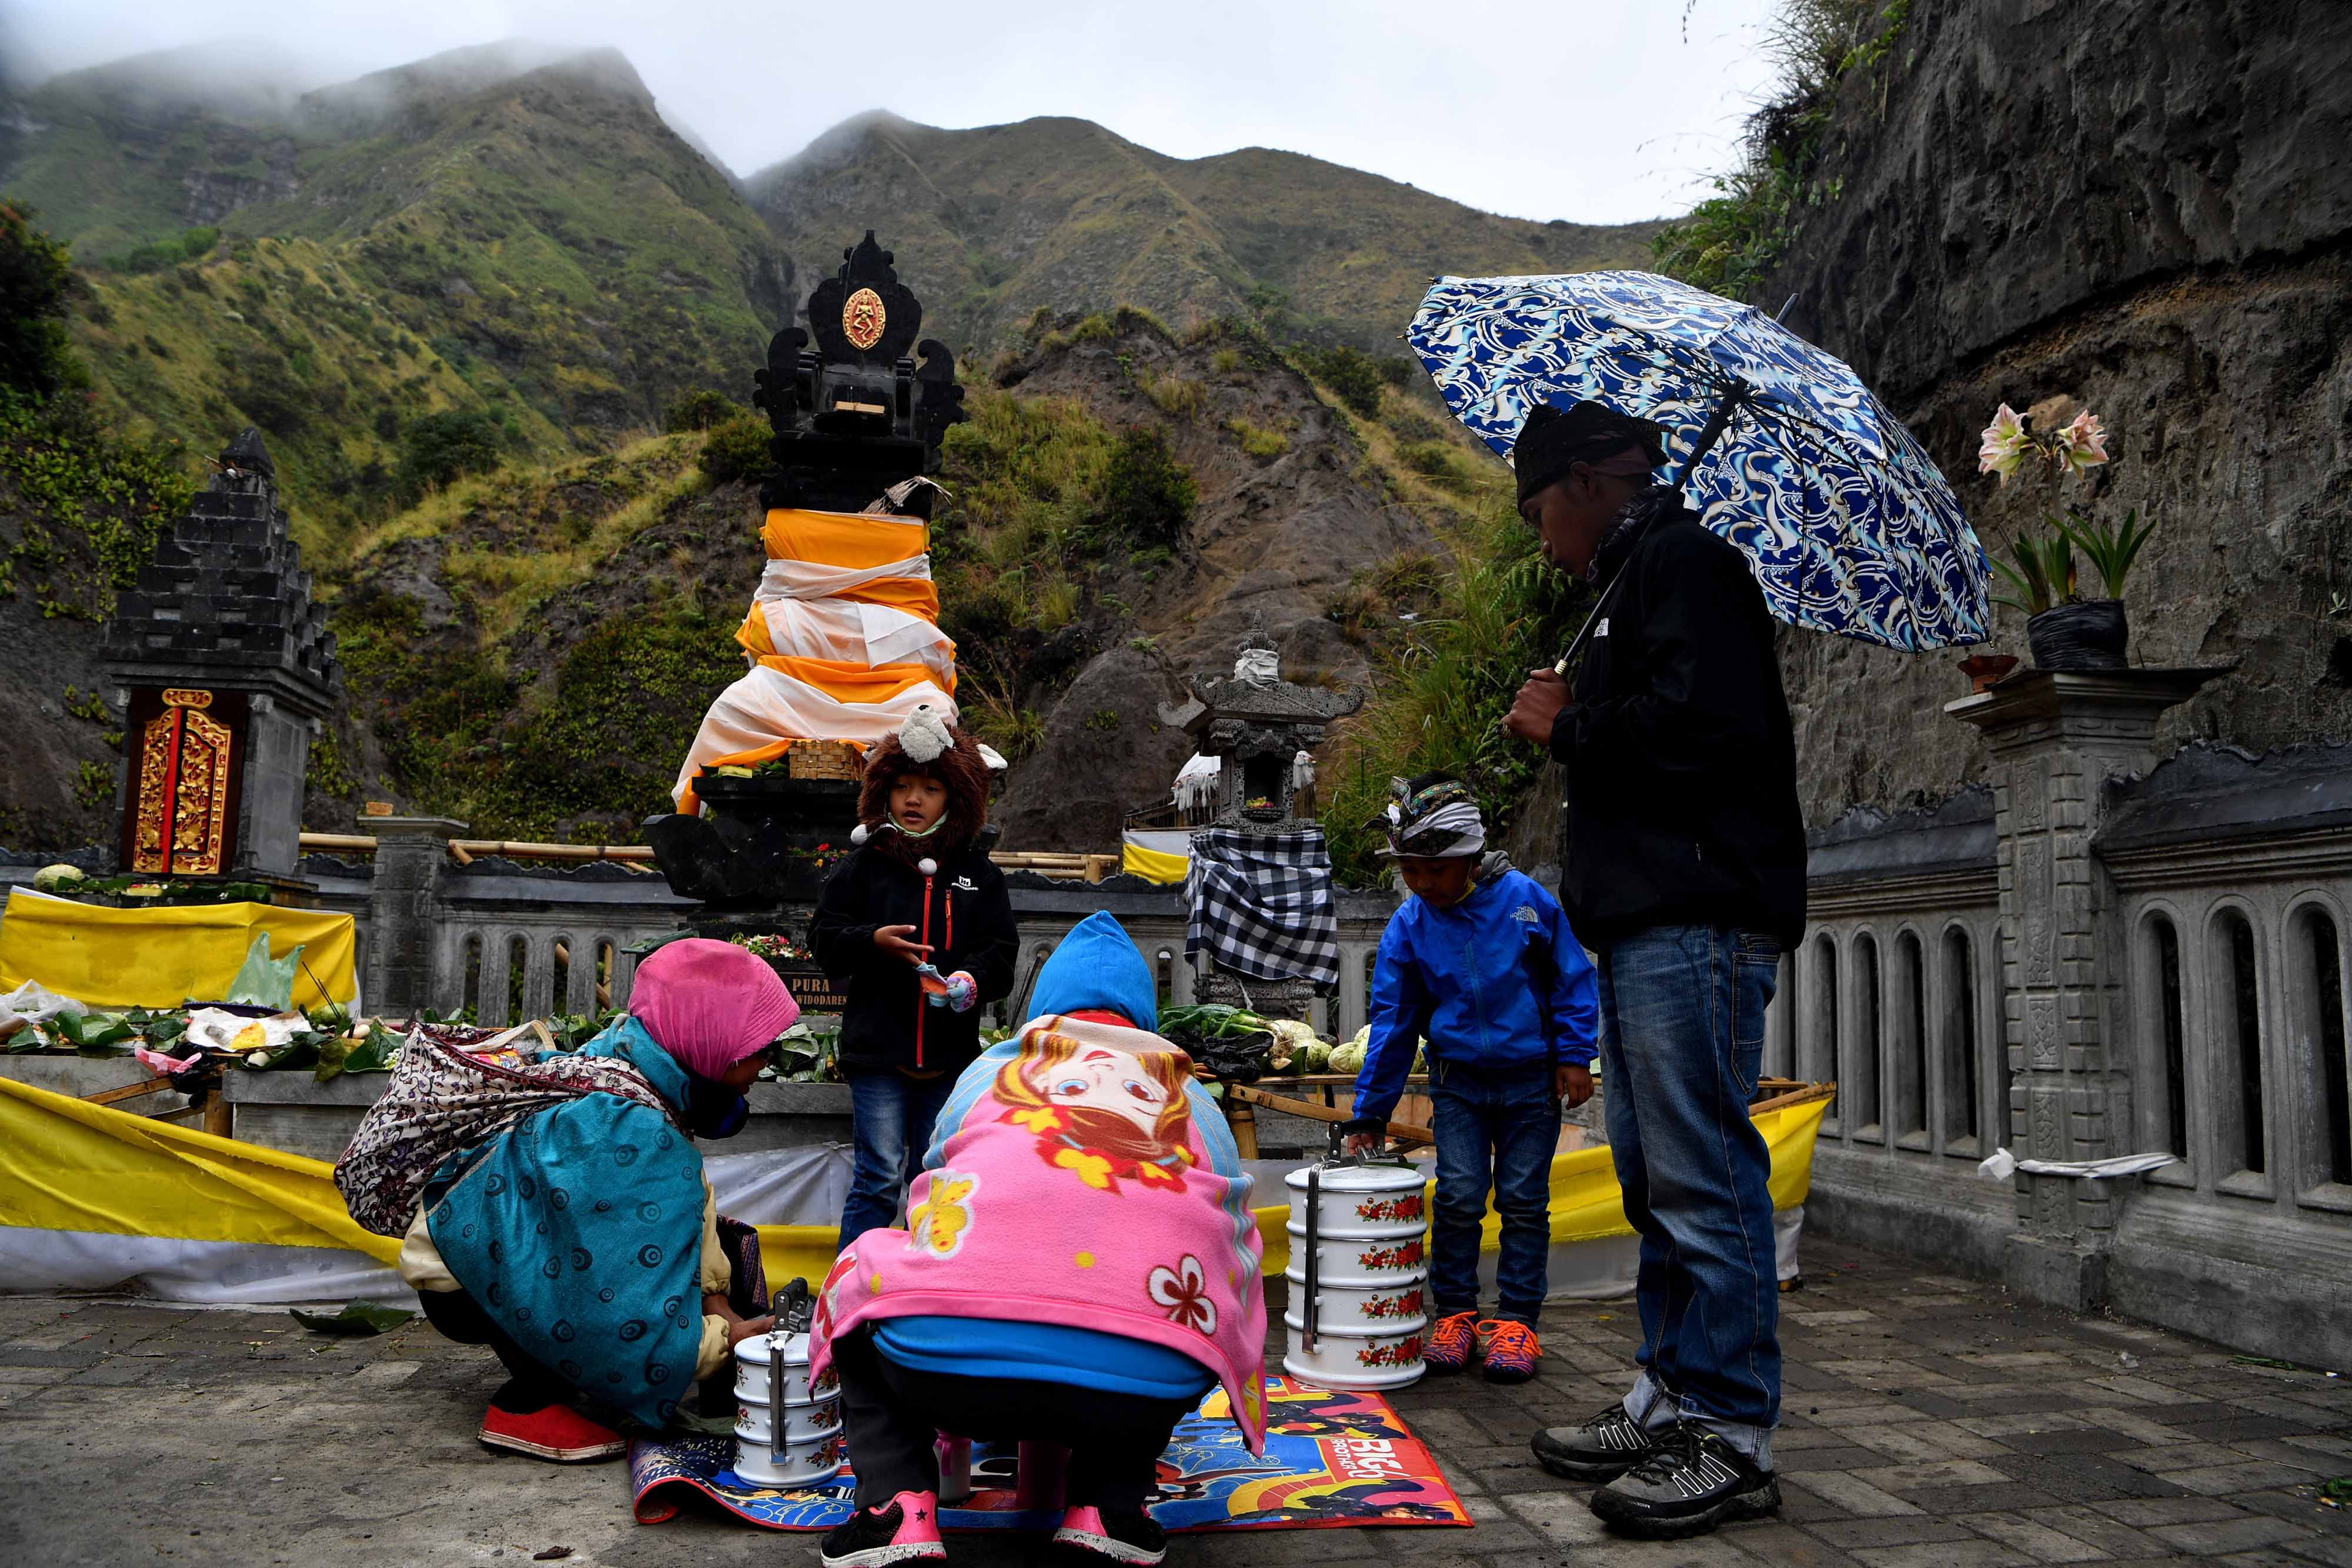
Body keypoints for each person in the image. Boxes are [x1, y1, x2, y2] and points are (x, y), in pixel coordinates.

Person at [1500, 399, 1807, 1538]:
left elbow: (1711, 731)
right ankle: (1670, 1390)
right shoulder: (1635, 585)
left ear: (1585, 481)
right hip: (1643, 925)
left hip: (1699, 915)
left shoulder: (1684, 562)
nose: (1539, 538)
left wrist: (1570, 728)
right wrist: (1580, 706)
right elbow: (1664, 716)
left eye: (1539, 509)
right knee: (1649, 1174)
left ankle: (1729, 1429)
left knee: (1699, 1170)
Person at [808, 911, 1268, 1568]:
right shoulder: (1186, 1089)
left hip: (946, 1369)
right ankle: (1108, 1506)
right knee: (1186, 1299)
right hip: (1137, 1385)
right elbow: (1232, 1224)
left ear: (1043, 1006)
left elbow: (935, 1187)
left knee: (860, 1275)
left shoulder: (994, 1070)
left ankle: (896, 1510)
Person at [396, 938, 797, 1460]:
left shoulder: (636, 1061)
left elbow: (690, 1208)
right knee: (600, 1329)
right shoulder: (630, 1129)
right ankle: (525, 1404)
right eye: (757, 1051)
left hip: (478, 1251)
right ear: (709, 1038)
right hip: (463, 1281)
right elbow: (615, 1302)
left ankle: (551, 1374)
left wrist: (719, 1304)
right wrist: (722, 1343)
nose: (764, 1066)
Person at [1339, 775, 1598, 1383]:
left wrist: (1574, 1056)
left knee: (1524, 1201)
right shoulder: (1409, 925)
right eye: (1410, 869)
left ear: (1471, 860)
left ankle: (1516, 1324)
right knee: (1456, 1197)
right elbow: (1394, 1021)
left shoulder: (1525, 901)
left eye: (1434, 870)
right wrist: (1369, 1112)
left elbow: (1570, 980)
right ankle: (1454, 1315)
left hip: (1531, 1083)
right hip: (1456, 1085)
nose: (1421, 883)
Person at [810, 706, 1020, 1255]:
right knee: (878, 1176)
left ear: (955, 795)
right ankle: (849, 1291)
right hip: (878, 1054)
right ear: (884, 791)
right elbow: (824, 936)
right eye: (902, 784)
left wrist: (968, 982)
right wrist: (871, 941)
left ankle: (925, 1292)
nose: (913, 798)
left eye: (930, 787)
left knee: (938, 1181)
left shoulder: (979, 874)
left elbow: (1000, 952)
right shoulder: (864, 865)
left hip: (949, 1059)